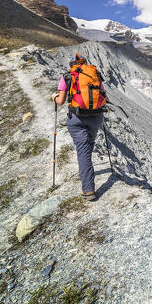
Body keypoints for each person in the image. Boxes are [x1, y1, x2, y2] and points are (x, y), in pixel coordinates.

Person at [52, 53, 107, 201]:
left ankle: (88, 189)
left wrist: (54, 97)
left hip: (77, 119)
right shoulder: (94, 74)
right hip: (96, 117)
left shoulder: (67, 76)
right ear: (85, 63)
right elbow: (104, 97)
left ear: (71, 65)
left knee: (83, 151)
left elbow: (61, 101)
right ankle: (85, 170)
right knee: (88, 145)